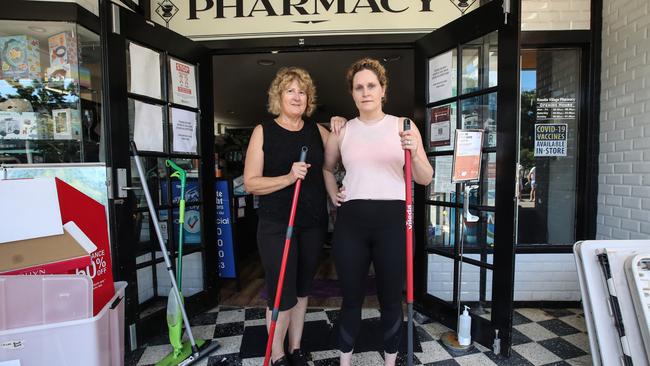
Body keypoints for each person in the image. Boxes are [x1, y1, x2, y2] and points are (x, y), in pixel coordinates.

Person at [323, 58, 433, 366]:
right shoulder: (342, 130)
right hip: (352, 222)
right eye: (359, 87)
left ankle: (390, 361)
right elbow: (326, 167)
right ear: (352, 94)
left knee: (389, 300)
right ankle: (344, 362)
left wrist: (413, 150)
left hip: (392, 222)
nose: (365, 92)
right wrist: (333, 194)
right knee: (351, 299)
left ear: (383, 90)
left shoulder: (403, 127)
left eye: (371, 85)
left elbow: (424, 177)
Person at [244, 67, 338, 366]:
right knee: (282, 291)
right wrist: (287, 177)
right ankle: (277, 354)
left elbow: (342, 154)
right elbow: (250, 182)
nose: (297, 96)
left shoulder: (316, 130)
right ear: (278, 96)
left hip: (312, 223)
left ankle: (296, 348)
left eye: (302, 91)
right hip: (276, 224)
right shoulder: (263, 131)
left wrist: (340, 127)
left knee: (301, 289)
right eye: (290, 90)